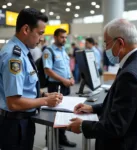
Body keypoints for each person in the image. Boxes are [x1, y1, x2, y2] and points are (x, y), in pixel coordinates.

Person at [68, 18, 137, 150]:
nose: (105, 48)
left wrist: (83, 126)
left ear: (120, 43)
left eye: (106, 43)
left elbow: (115, 127)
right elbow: (127, 106)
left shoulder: (130, 75)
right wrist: (93, 108)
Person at [0, 8, 63, 150]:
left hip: (23, 121)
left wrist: (43, 95)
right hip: (14, 125)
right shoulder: (14, 56)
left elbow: (24, 87)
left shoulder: (23, 51)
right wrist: (46, 101)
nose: (42, 39)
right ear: (26, 29)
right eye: (40, 33)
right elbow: (14, 103)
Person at [42, 28, 76, 150]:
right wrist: (64, 80)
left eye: (65, 37)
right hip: (56, 86)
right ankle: (50, 141)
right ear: (55, 37)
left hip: (65, 86)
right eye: (62, 37)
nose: (64, 39)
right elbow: (48, 70)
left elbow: (67, 67)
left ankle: (62, 138)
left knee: (64, 113)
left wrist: (71, 77)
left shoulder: (63, 50)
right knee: (54, 116)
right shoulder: (49, 51)